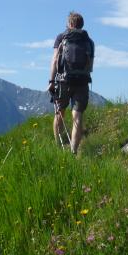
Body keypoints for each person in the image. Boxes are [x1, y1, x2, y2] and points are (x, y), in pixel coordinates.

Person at [49, 11, 95, 155]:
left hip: (63, 80)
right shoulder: (89, 42)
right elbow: (90, 66)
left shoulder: (61, 38)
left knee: (59, 113)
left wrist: (51, 80)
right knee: (77, 116)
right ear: (82, 25)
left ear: (69, 24)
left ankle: (58, 147)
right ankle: (73, 152)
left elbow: (55, 59)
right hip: (82, 82)